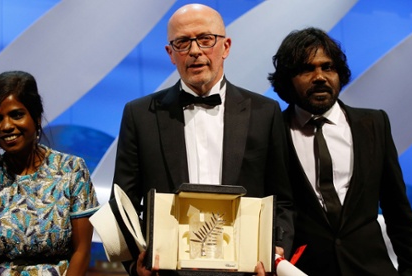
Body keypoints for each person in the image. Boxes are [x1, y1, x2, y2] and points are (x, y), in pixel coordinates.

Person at [112, 3, 294, 275]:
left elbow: (283, 199)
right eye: (183, 42)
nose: (195, 51)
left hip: (245, 271)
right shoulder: (140, 115)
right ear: (170, 53)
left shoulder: (265, 112)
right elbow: (122, 201)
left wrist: (276, 250)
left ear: (226, 46)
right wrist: (136, 263)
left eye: (205, 39)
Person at [268, 27, 412, 275]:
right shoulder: (271, 131)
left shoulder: (374, 124)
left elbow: (398, 213)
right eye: (307, 69)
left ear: (339, 73)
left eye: (327, 67)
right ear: (287, 80)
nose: (319, 76)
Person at [0, 71, 100, 275]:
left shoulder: (72, 170)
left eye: (16, 115)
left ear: (36, 118)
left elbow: (81, 252)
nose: (6, 126)